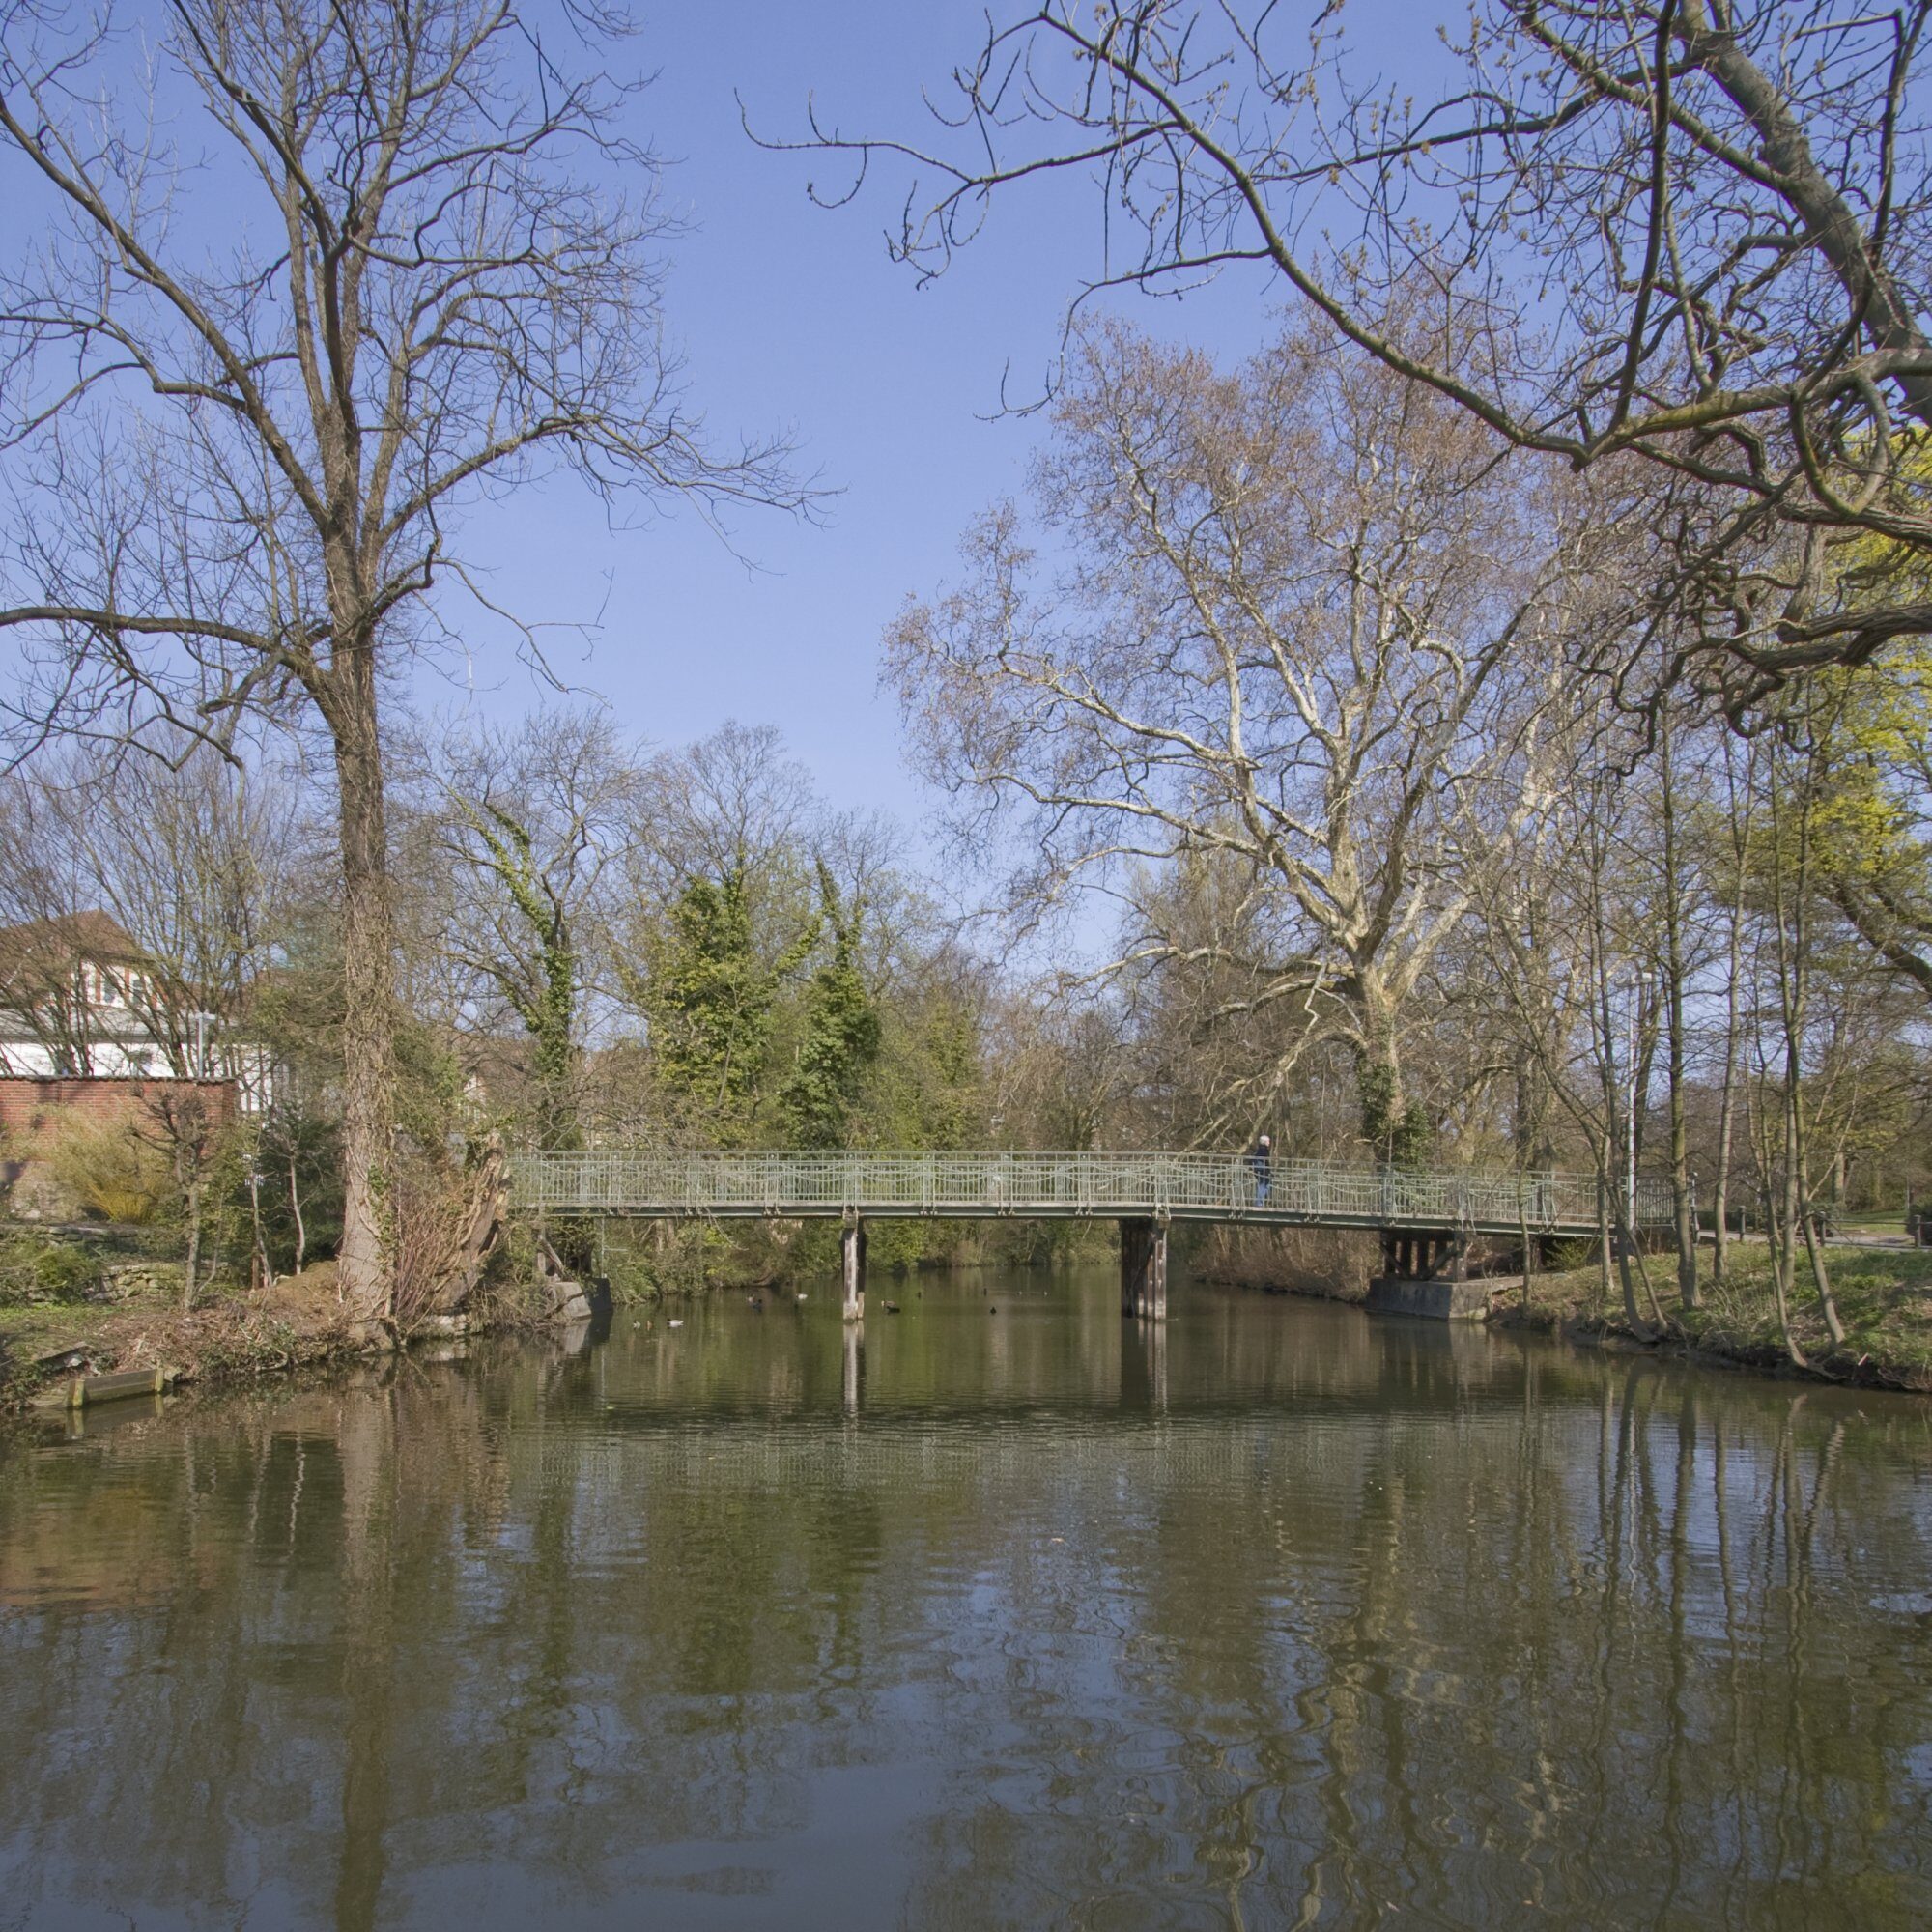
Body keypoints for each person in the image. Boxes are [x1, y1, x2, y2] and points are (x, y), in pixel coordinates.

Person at [1247, 1133, 1273, 1207]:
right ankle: (1259, 1202)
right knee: (1262, 1184)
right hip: (1262, 1170)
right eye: (1268, 1141)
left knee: (1266, 1184)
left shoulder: (1260, 1149)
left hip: (1261, 1169)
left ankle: (1265, 1200)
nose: (1269, 1143)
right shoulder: (1263, 1149)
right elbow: (1264, 1159)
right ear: (1264, 1142)